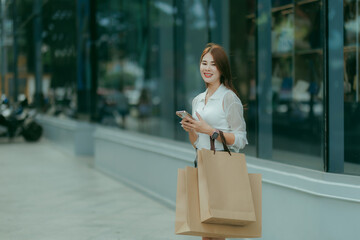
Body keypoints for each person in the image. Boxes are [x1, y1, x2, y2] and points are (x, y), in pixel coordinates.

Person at [180, 43, 248, 240]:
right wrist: (191, 129)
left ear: (222, 69)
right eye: (204, 63)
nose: (207, 68)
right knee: (205, 232)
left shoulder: (229, 98)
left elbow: (241, 139)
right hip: (201, 164)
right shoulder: (198, 100)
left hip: (220, 167)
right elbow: (197, 143)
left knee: (216, 231)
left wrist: (210, 131)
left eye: (213, 64)